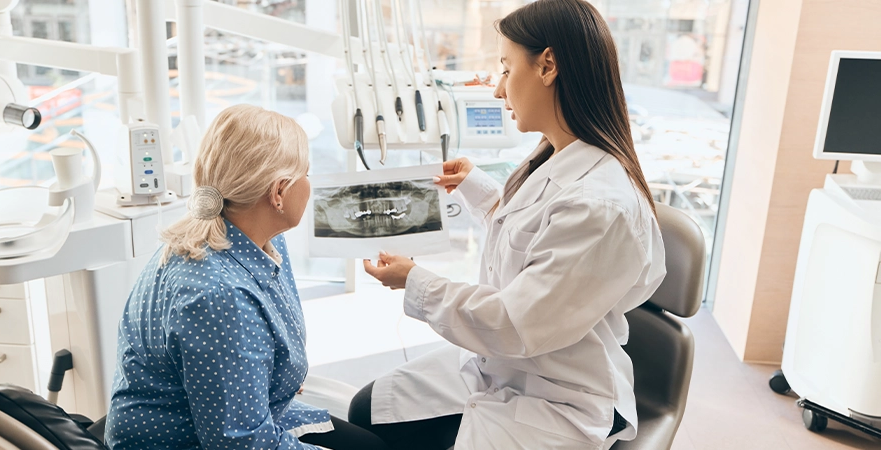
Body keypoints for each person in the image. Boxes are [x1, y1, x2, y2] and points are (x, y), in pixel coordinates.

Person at [353, 1, 667, 449]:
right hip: (517, 364)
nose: (499, 90)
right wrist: (476, 187)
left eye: (505, 68)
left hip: (560, 395)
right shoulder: (560, 156)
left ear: (548, 65)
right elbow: (537, 232)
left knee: (380, 423)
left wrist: (415, 282)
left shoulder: (601, 206)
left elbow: (513, 325)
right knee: (370, 408)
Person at [106, 104, 389, 450]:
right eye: (307, 174)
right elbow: (241, 445)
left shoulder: (252, 238)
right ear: (279, 192)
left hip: (248, 417)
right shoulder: (218, 296)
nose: (311, 185)